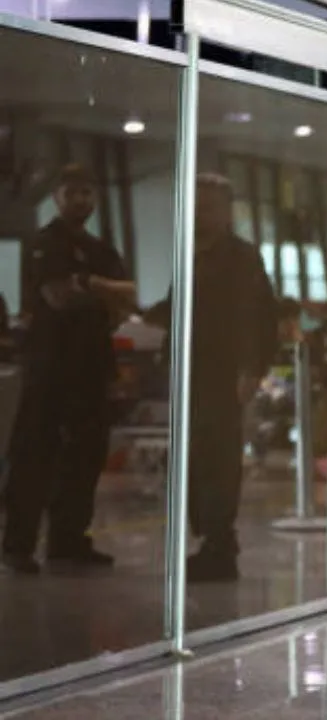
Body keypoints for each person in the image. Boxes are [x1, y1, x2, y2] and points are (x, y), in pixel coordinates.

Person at [3, 164, 135, 575]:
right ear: (57, 198)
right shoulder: (46, 244)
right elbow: (57, 297)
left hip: (92, 366)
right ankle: (17, 545)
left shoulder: (102, 250)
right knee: (34, 456)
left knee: (86, 456)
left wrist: (87, 285)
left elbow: (126, 299)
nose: (82, 200)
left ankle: (68, 540)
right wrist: (101, 290)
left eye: (87, 193)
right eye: (73, 193)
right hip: (49, 367)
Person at [146, 174, 278, 582]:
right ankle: (212, 537)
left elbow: (259, 316)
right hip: (190, 372)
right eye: (197, 205)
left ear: (225, 212)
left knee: (216, 462)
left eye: (209, 206)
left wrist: (252, 369)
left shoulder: (242, 258)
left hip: (222, 376)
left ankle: (219, 543)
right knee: (192, 460)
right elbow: (176, 307)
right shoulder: (192, 254)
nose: (201, 214)